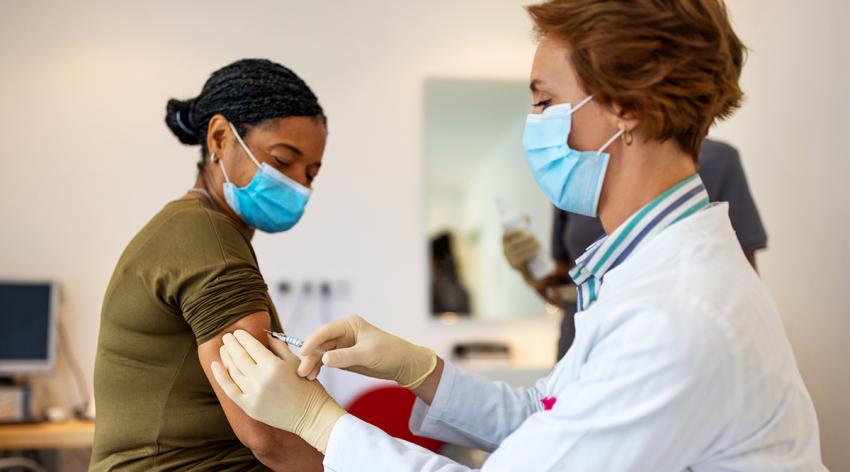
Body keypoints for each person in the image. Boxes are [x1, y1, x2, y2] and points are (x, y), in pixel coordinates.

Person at [212, 0, 825, 469]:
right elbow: (547, 417)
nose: (532, 125)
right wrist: (419, 369)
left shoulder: (676, 318)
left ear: (626, 107)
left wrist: (322, 423)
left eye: (544, 101)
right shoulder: (649, 273)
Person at [90, 59, 327, 471]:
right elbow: (267, 431)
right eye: (284, 161)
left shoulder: (194, 228)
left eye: (310, 173)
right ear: (220, 138)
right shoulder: (209, 238)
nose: (299, 186)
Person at [503, 138, 769, 358]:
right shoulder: (573, 172)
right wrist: (532, 267)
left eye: (546, 102)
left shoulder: (716, 160)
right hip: (580, 346)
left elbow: (740, 285)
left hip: (664, 345)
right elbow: (566, 284)